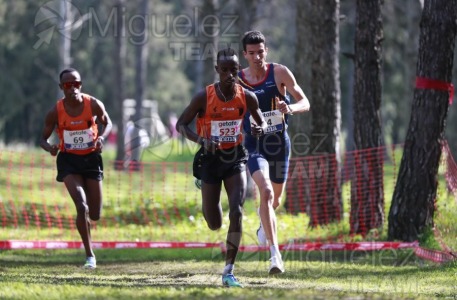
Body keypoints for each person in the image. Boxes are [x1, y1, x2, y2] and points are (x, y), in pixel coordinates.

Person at [176, 48, 266, 288]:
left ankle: (228, 271)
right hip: (210, 158)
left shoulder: (247, 96)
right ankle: (203, 186)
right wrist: (202, 141)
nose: (229, 75)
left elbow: (261, 120)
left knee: (236, 211)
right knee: (214, 221)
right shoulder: (203, 97)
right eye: (224, 70)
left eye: (233, 70)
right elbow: (180, 125)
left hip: (235, 157)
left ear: (239, 71)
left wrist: (258, 128)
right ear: (217, 70)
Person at [238, 30, 311, 274]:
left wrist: (289, 107)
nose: (257, 57)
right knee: (266, 192)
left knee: (275, 200)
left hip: (279, 145)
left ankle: (263, 222)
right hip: (254, 145)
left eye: (261, 52)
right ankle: (275, 255)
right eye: (252, 53)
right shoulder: (239, 80)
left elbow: (305, 102)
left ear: (266, 50)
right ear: (244, 55)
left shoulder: (279, 72)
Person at [40, 68, 112, 269]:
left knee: (95, 213)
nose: (72, 88)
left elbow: (107, 122)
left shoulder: (93, 104)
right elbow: (42, 138)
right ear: (61, 87)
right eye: (67, 85)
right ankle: (90, 256)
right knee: (82, 206)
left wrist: (102, 137)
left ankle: (90, 224)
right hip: (68, 161)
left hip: (91, 159)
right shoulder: (55, 111)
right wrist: (50, 148)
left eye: (76, 84)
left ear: (81, 85)